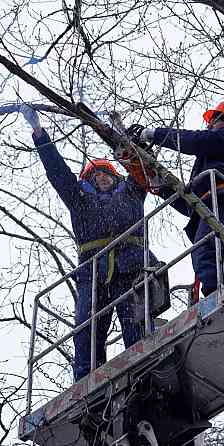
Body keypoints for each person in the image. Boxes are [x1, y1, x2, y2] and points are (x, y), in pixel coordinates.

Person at [20, 105, 158, 381]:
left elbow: (143, 165)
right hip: (92, 275)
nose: (102, 177)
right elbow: (57, 172)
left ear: (116, 177)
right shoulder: (80, 201)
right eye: (95, 175)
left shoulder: (131, 192)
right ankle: (85, 383)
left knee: (136, 327)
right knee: (86, 332)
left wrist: (125, 136)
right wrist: (39, 134)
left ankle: (145, 373)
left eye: (107, 173)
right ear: (88, 182)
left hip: (130, 268)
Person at [135, 100, 224, 322]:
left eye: (212, 122)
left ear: (221, 118)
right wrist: (162, 188)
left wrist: (154, 134)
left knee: (210, 257)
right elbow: (191, 204)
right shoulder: (213, 158)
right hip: (218, 208)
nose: (209, 126)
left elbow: (193, 141)